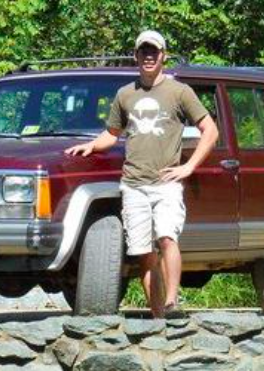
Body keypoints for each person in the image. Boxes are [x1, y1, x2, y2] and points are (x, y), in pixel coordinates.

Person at [65, 30, 219, 318]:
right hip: (133, 185)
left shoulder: (179, 92)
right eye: (143, 51)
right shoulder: (125, 94)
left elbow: (210, 130)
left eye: (154, 51)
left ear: (163, 56)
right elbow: (112, 134)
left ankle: (172, 303)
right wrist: (90, 146)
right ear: (136, 56)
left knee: (167, 238)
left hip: (166, 184)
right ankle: (159, 317)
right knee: (144, 253)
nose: (149, 57)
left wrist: (188, 167)